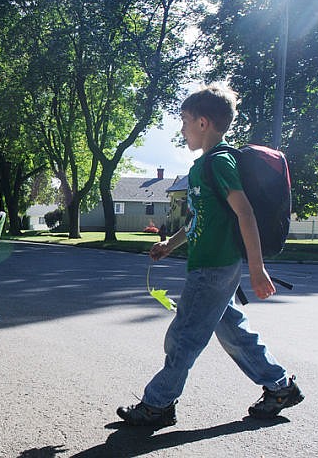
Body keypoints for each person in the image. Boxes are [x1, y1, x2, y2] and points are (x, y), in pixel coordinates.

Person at [117, 84, 303, 427]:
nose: (183, 128)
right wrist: (168, 246)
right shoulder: (203, 166)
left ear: (203, 123)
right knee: (234, 332)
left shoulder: (219, 162)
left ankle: (158, 404)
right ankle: (280, 386)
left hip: (215, 268)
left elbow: (244, 213)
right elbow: (199, 220)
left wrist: (258, 270)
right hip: (212, 266)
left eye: (185, 120)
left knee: (183, 336)